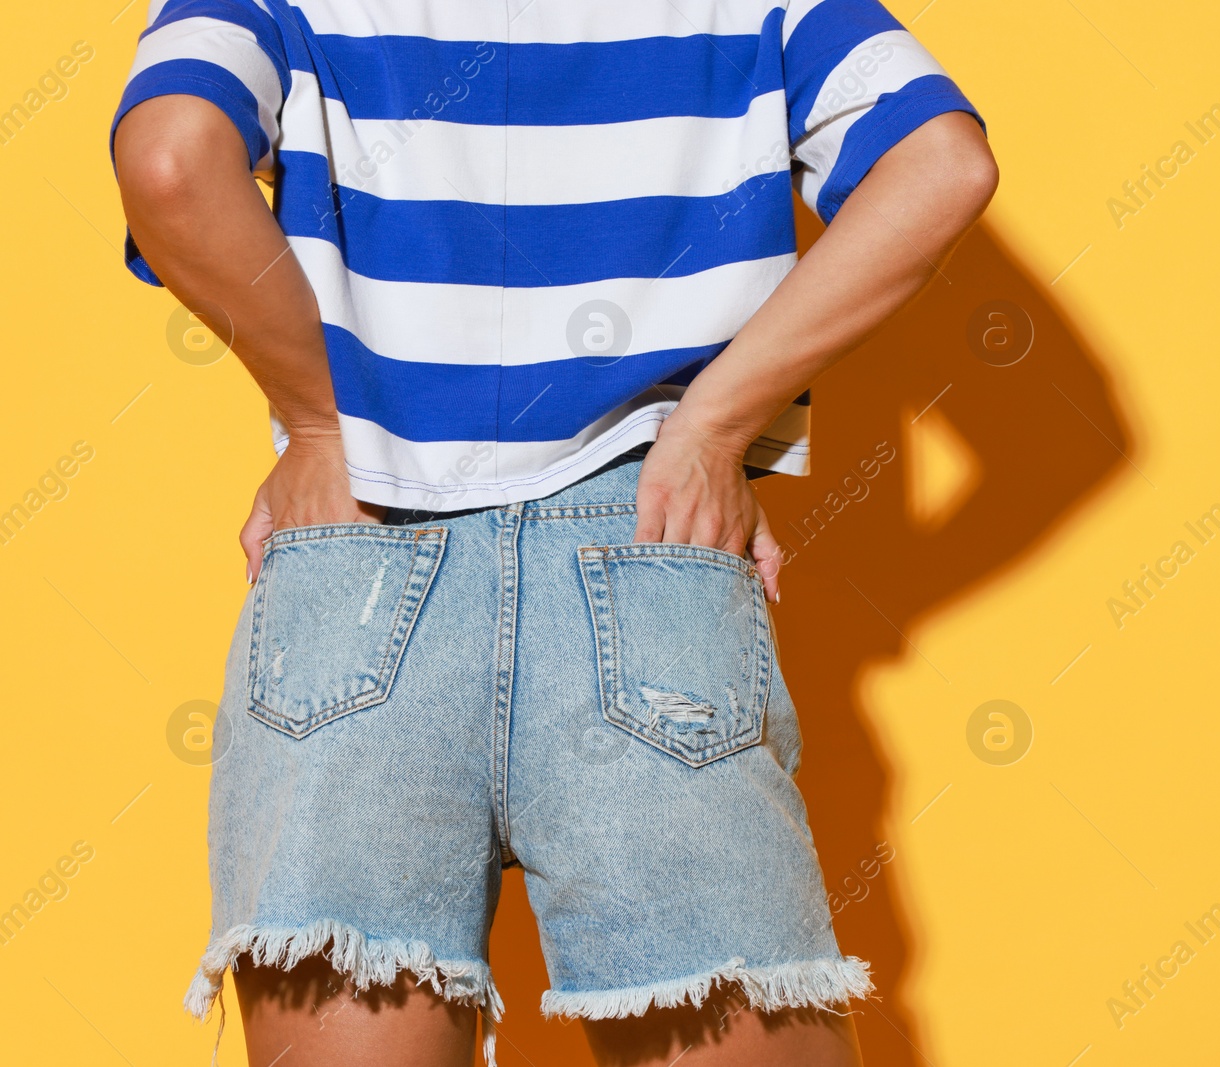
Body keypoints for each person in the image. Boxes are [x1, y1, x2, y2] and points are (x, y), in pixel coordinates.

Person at [111, 2, 996, 1064]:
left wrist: (314, 419)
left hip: (358, 561)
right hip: (645, 552)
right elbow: (942, 163)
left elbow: (168, 157)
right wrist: (713, 430)